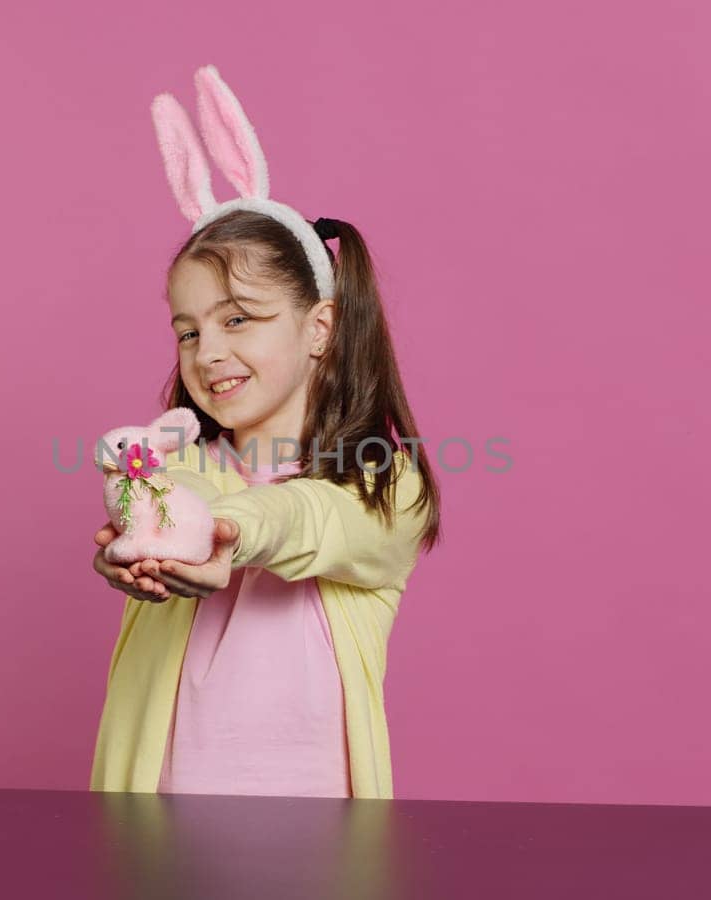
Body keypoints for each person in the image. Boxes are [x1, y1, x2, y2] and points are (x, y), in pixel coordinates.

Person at [89, 65, 441, 800]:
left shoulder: (384, 483)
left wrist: (223, 532)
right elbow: (170, 495)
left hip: (319, 834)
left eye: (238, 319)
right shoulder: (185, 471)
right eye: (188, 331)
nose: (207, 351)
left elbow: (305, 517)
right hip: (159, 829)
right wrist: (146, 529)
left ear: (320, 327)